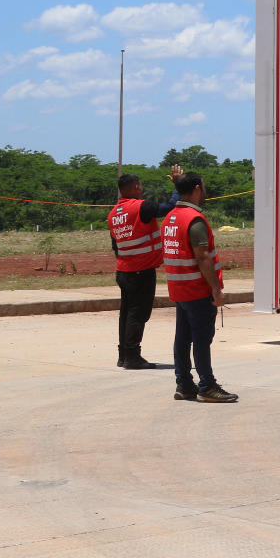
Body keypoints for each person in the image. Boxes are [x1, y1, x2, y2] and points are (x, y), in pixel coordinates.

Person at [160, 171, 237, 402]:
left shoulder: (170, 218)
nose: (205, 192)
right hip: (197, 289)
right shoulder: (193, 219)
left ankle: (184, 385)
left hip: (179, 289)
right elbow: (203, 257)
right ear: (196, 189)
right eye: (203, 187)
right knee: (202, 340)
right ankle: (207, 386)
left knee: (182, 338)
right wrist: (215, 288)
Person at [107, 165, 183, 369]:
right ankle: (132, 357)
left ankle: (124, 355)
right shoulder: (141, 207)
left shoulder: (114, 213)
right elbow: (171, 206)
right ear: (137, 187)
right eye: (140, 186)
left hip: (124, 270)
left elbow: (116, 245)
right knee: (138, 315)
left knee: (126, 313)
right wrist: (177, 185)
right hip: (140, 271)